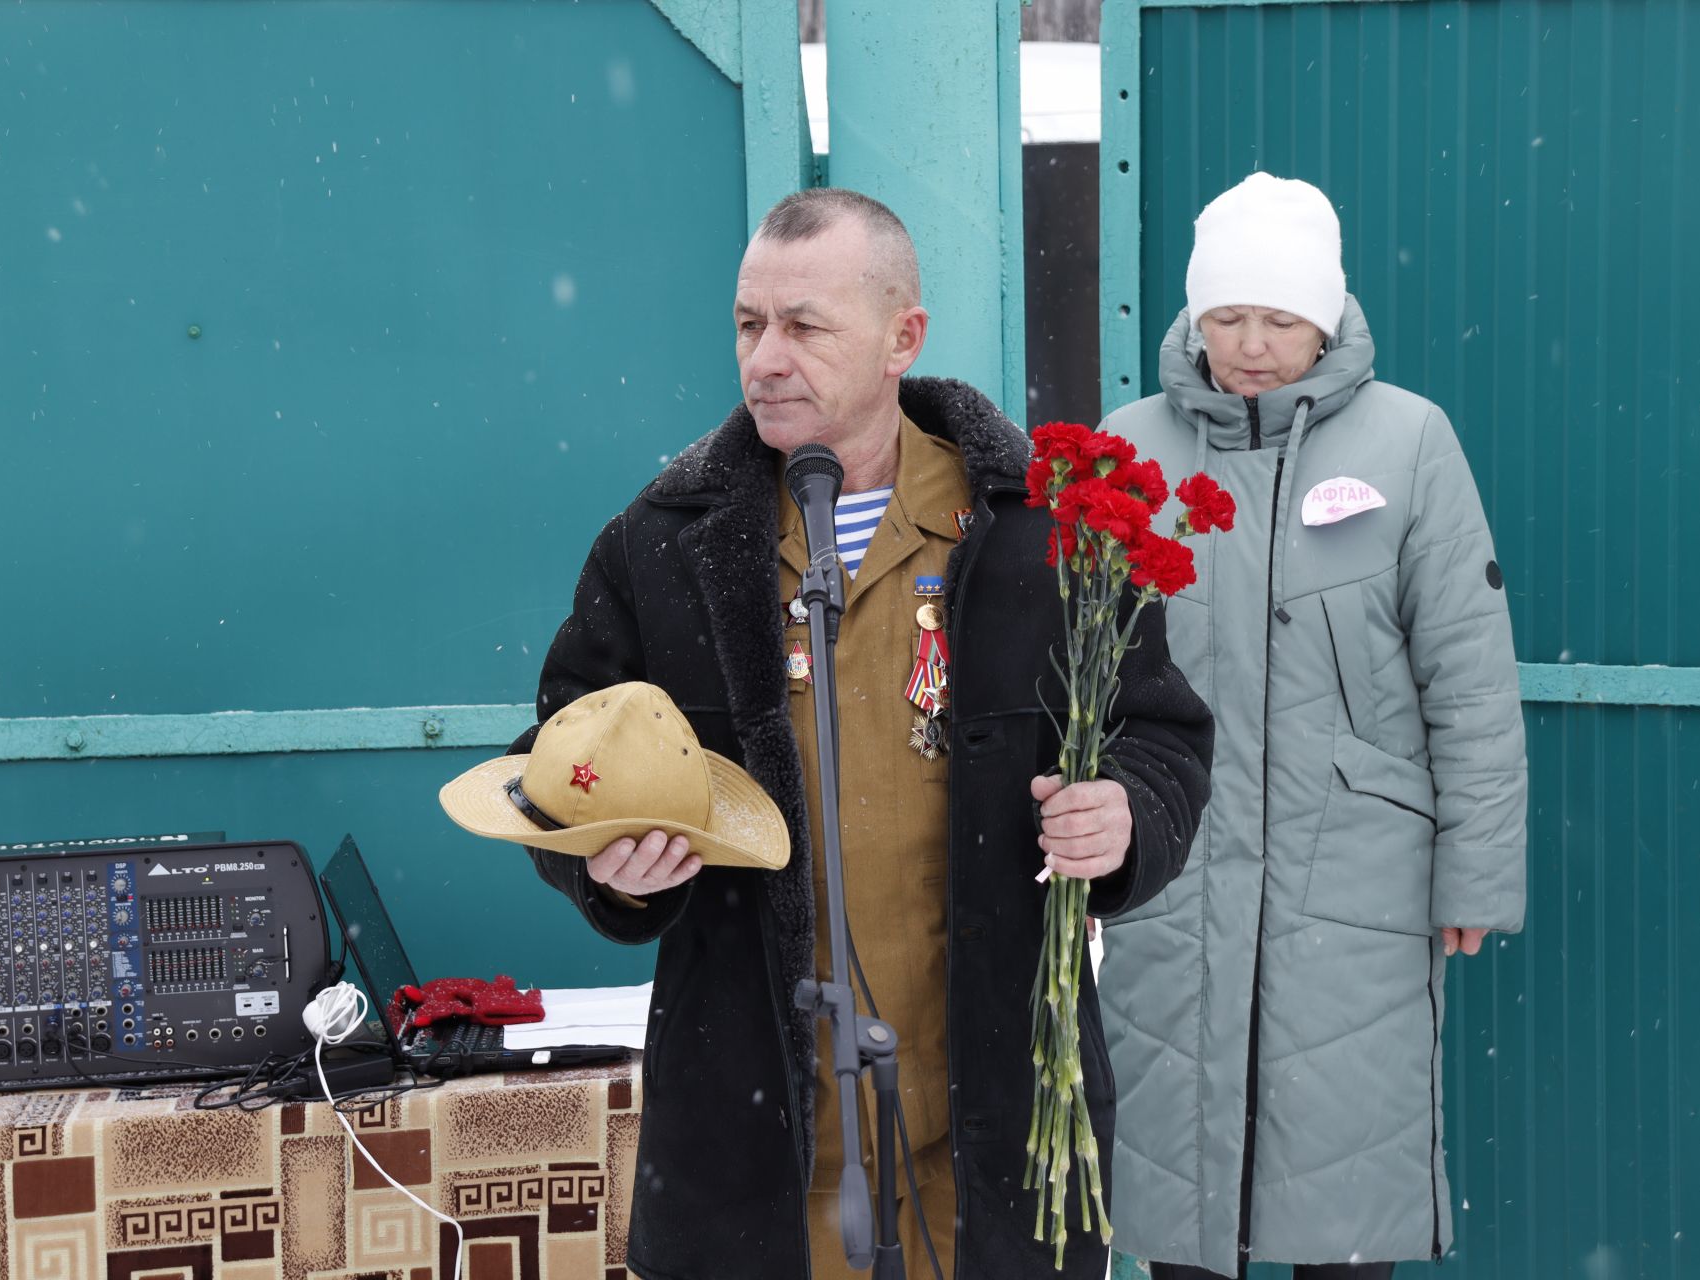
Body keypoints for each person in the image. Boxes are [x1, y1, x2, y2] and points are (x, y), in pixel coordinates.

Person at [514, 187, 1214, 1280]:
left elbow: (1161, 733)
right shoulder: (661, 545)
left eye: (804, 325)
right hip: (753, 1143)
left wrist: (1126, 813)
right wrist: (607, 865)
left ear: (904, 336)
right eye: (749, 325)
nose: (766, 359)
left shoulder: (1039, 530)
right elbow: (558, 759)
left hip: (989, 1128)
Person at [1095, 172, 1528, 1279]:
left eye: (1280, 318)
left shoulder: (1409, 444)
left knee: (1344, 1211)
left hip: (1357, 885)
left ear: (1325, 318)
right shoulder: (1129, 447)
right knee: (1180, 1202)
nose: (1250, 344)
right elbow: (1080, 667)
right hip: (1175, 869)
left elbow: (1469, 679)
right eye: (1227, 314)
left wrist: (1475, 873)